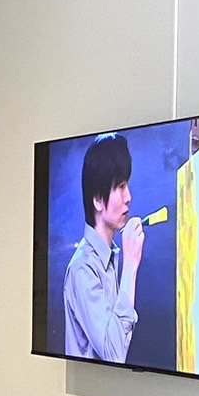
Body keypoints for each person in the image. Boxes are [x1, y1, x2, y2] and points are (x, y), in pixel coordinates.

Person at [63, 133, 145, 363]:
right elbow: (114, 354)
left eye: (127, 184)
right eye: (120, 186)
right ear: (98, 200)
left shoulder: (109, 259)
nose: (128, 197)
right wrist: (131, 265)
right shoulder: (82, 269)